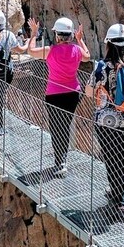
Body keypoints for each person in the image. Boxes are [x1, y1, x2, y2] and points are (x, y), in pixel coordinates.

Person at [89, 23, 124, 217]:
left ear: (109, 45)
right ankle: (118, 193)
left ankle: (120, 198)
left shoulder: (102, 67)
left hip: (106, 121)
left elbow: (90, 91)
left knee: (111, 158)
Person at [27, 16, 91, 177]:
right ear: (70, 35)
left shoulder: (50, 50)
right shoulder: (77, 50)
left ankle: (60, 161)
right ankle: (63, 158)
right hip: (73, 93)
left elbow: (30, 51)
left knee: (56, 127)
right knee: (65, 124)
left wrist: (34, 33)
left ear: (57, 35)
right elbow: (87, 56)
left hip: (54, 94)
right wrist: (80, 40)